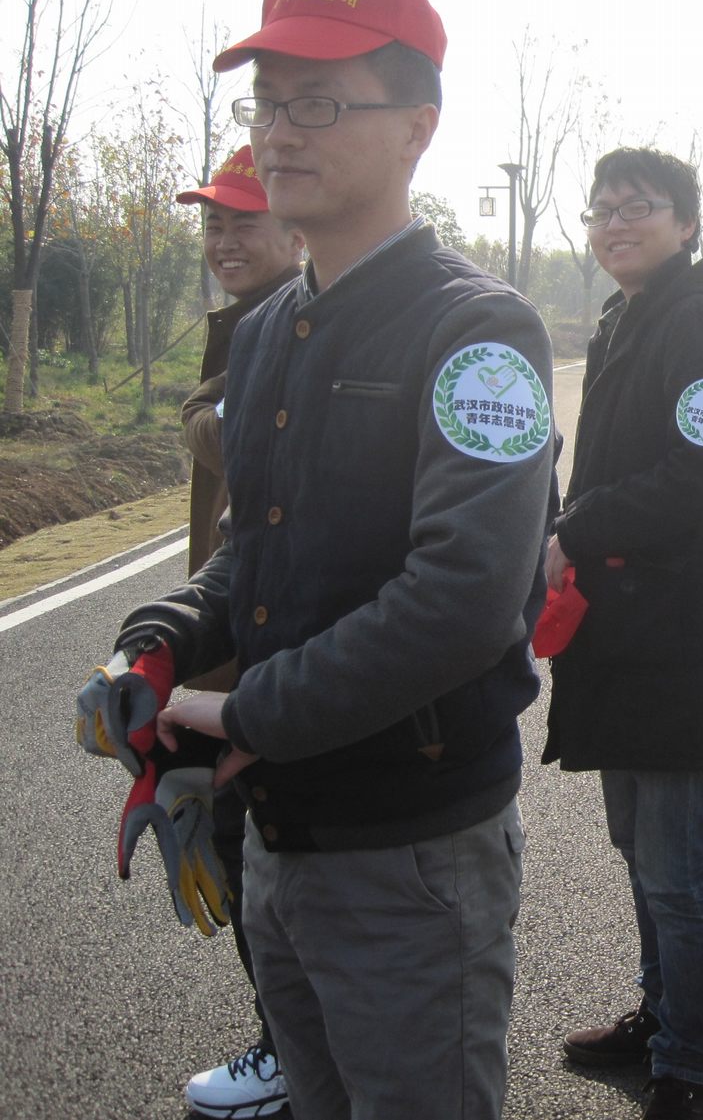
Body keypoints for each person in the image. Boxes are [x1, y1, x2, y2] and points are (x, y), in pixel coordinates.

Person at [82, 0, 555, 1120]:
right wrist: (162, 638)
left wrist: (248, 714)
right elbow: (254, 549)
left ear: (418, 128)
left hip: (409, 856)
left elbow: (463, 598)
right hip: (278, 835)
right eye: (267, 102)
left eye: (321, 102)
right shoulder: (263, 333)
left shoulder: (480, 332)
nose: (278, 135)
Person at [545, 147, 703, 1120]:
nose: (615, 223)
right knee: (639, 846)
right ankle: (659, 1013)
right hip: (631, 631)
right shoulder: (627, 315)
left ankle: (687, 1063)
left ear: (686, 222)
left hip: (683, 637)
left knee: (675, 865)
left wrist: (579, 526)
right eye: (602, 209)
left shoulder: (700, 319)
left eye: (639, 207)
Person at [172, 146, 302, 1118]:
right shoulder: (242, 321)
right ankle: (294, 1041)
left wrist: (204, 408)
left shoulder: (287, 321)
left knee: (261, 854)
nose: (223, 240)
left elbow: (246, 443)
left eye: (241, 222)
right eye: (213, 223)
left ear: (292, 228)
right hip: (228, 633)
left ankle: (291, 1048)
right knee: (249, 854)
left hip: (267, 657)